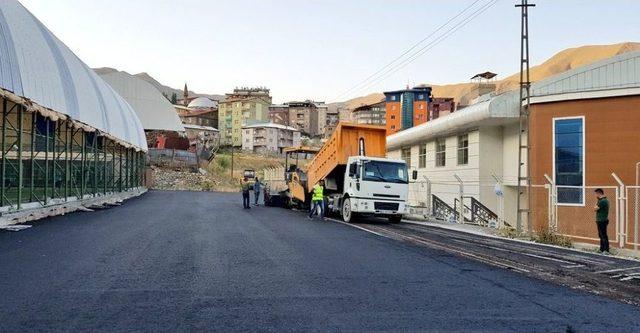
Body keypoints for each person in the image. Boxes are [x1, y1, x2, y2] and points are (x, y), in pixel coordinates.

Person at [593, 188, 610, 254]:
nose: (596, 195)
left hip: (602, 220)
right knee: (601, 235)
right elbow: (595, 208)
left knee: (603, 235)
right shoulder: (601, 200)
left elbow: (595, 209)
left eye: (596, 193)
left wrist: (597, 204)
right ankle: (602, 249)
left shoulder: (603, 201)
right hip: (600, 220)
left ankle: (606, 250)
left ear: (599, 193)